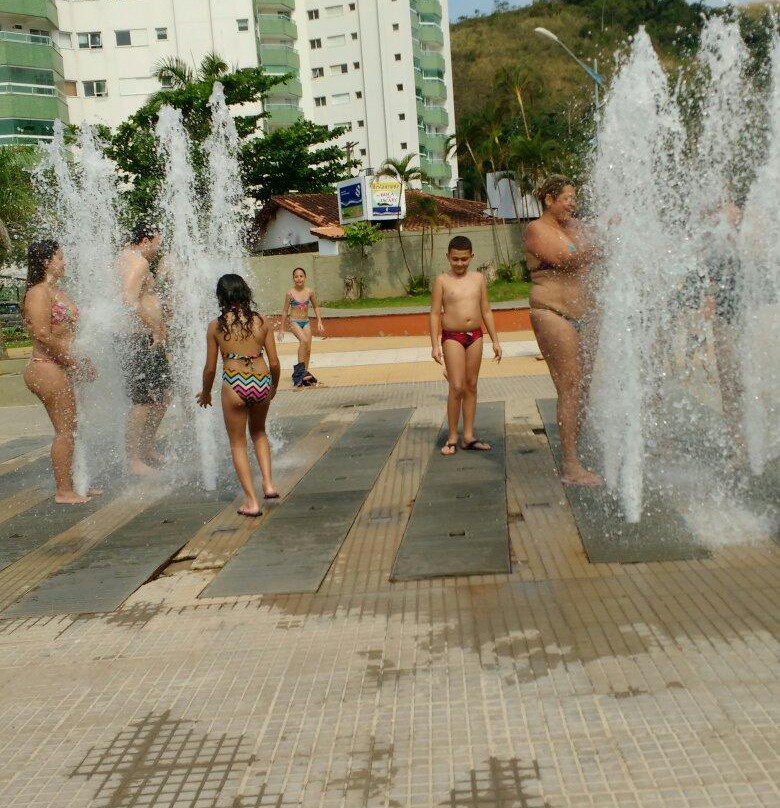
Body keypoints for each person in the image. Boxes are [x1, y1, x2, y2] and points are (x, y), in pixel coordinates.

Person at [524, 175, 601, 486]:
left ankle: (576, 453)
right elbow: (565, 260)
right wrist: (601, 243)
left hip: (586, 315)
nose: (573, 204)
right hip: (553, 313)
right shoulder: (536, 230)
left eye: (574, 198)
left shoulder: (578, 229)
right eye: (567, 198)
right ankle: (570, 465)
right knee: (569, 387)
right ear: (549, 199)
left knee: (582, 388)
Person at [197, 274, 281, 517]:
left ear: (221, 297)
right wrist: (272, 387)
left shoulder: (216, 326)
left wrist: (205, 393)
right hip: (262, 379)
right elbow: (274, 363)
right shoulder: (261, 321)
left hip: (235, 382)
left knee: (237, 443)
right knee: (259, 432)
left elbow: (210, 368)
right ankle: (268, 484)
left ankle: (252, 503)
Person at [22, 240, 99, 504]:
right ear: (46, 262)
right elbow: (42, 334)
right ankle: (63, 491)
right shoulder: (38, 293)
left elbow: (67, 335)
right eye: (60, 257)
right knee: (65, 430)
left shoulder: (56, 290)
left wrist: (81, 359)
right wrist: (72, 361)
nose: (64, 262)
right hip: (46, 367)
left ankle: (77, 483)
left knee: (73, 427)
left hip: (61, 364)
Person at [429, 235, 502, 456]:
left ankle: (468, 435)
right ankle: (452, 436)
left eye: (463, 259)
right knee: (457, 387)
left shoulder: (479, 279)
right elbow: (434, 314)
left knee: (471, 385)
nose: (459, 264)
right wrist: (435, 344)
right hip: (452, 336)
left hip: (476, 336)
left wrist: (495, 340)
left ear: (471, 257)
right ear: (447, 257)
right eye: (455, 259)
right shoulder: (442, 281)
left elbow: (486, 310)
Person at [117, 220, 170, 476]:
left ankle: (146, 447)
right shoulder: (139, 262)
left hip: (140, 337)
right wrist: (154, 328)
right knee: (142, 400)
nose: (158, 248)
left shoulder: (123, 257)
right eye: (157, 243)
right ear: (146, 240)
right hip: (141, 337)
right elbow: (128, 300)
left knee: (163, 393)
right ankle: (134, 459)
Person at [279, 267, 324, 388]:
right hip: (294, 321)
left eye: (301, 276)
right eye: (296, 276)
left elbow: (316, 307)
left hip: (306, 322)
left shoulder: (310, 292)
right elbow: (284, 311)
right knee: (303, 341)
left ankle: (305, 373)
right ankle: (299, 373)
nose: (299, 278)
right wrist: (282, 329)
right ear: (293, 278)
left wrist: (319, 321)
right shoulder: (290, 293)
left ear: (305, 277)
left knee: (308, 348)